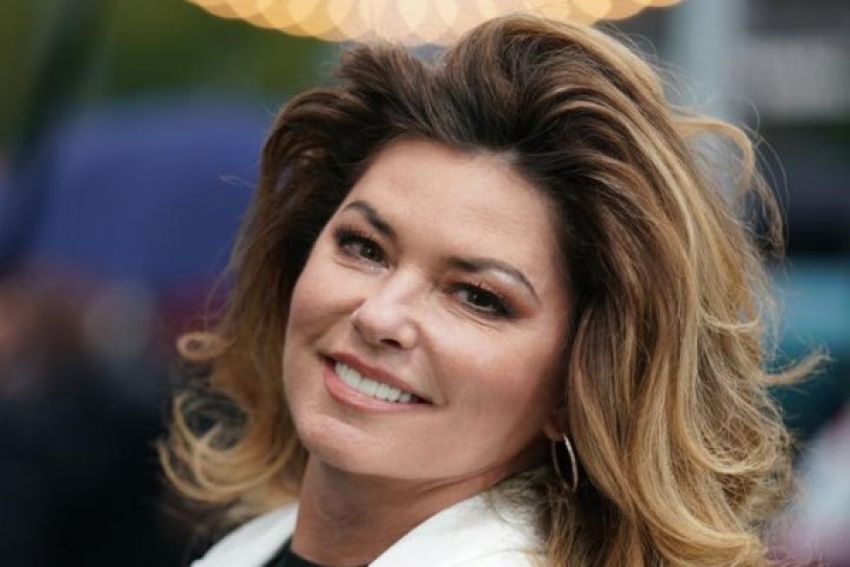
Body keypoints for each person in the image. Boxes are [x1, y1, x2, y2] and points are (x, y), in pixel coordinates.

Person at [160, 15, 818, 567]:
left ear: (580, 382)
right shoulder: (246, 548)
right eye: (363, 247)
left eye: (477, 296)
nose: (380, 316)